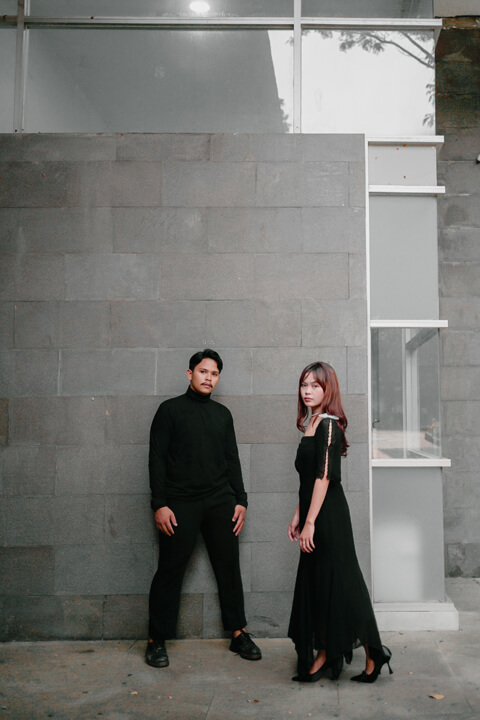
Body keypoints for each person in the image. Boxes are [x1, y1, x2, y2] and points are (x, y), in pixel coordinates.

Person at [145, 349, 261, 668]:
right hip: (179, 502)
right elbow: (156, 459)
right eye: (203, 371)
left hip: (220, 500)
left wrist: (241, 500)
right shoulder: (169, 411)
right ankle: (156, 639)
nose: (208, 378)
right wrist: (159, 504)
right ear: (190, 374)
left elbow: (232, 458)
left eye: (214, 373)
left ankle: (238, 633)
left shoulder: (222, 415)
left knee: (229, 567)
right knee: (170, 570)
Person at [287, 362, 392, 683]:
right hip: (314, 511)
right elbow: (308, 479)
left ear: (328, 390)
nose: (307, 391)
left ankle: (372, 652)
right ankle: (326, 651)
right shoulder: (312, 422)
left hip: (329, 516)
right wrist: (298, 514)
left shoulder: (329, 425)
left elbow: (324, 477)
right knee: (321, 583)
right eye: (304, 384)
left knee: (343, 583)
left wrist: (310, 521)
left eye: (315, 386)